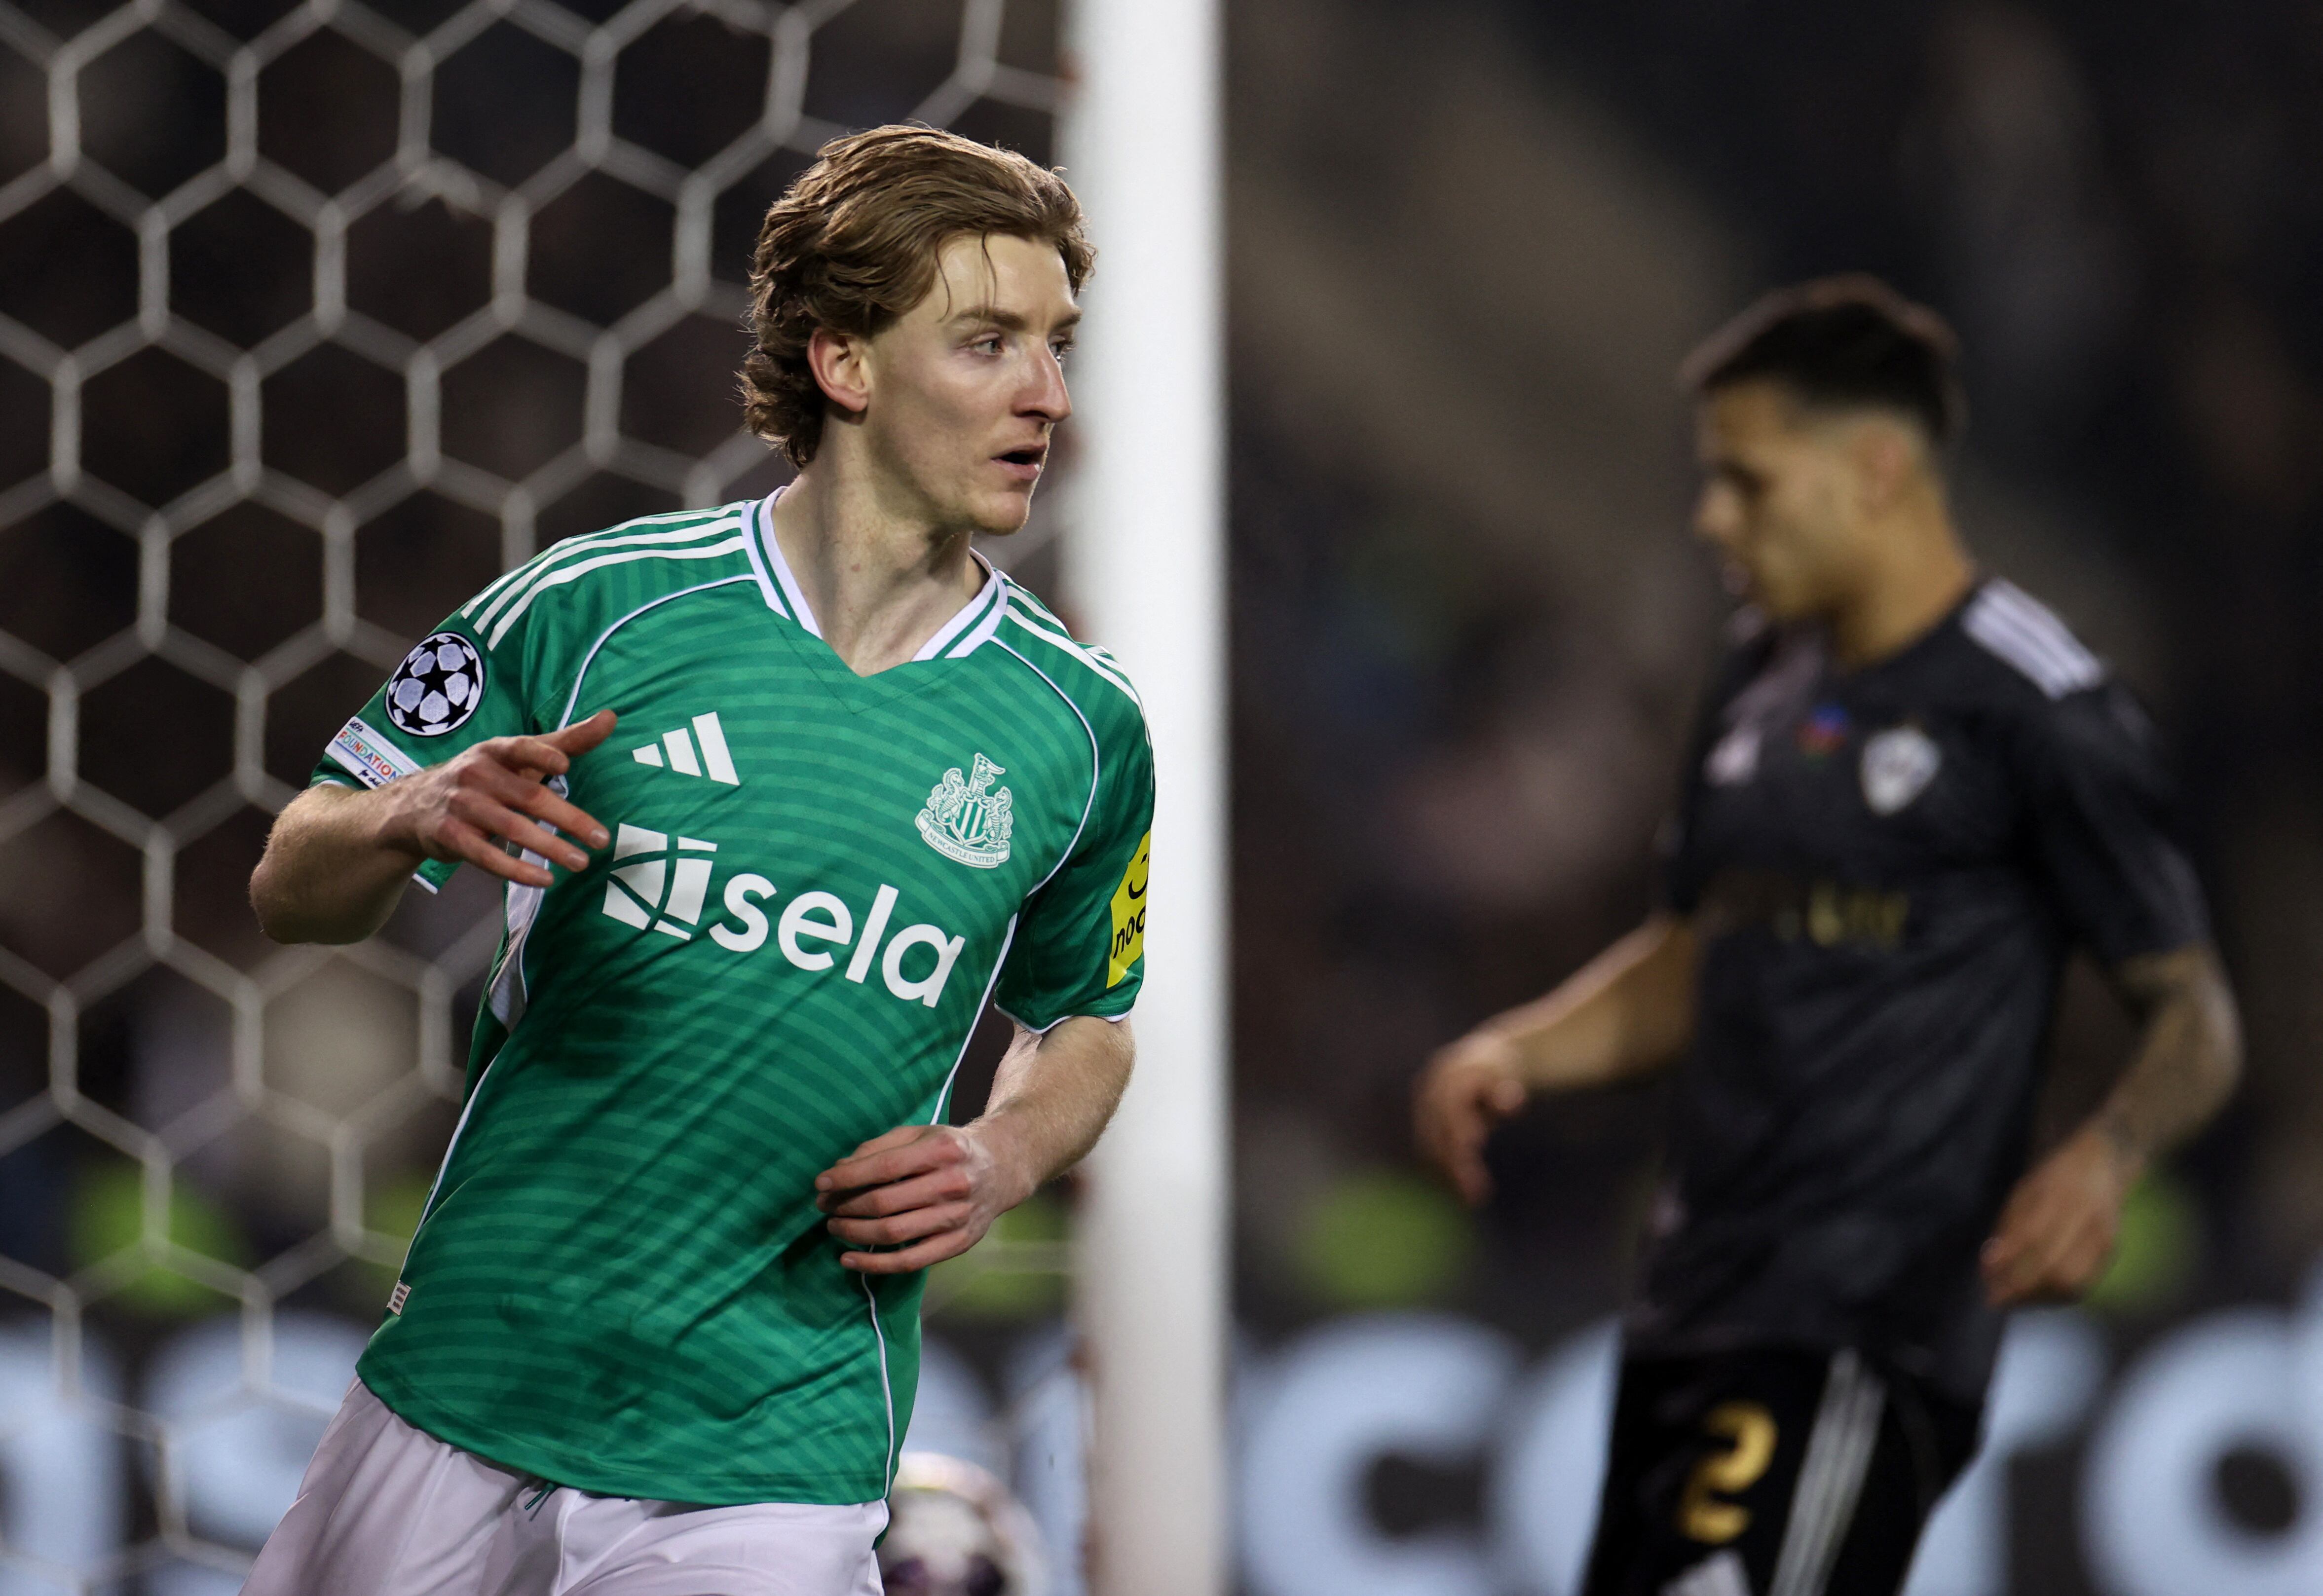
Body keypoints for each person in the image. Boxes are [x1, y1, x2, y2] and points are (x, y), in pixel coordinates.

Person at [242, 125, 1152, 1596]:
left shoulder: (1078, 727)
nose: (1046, 395)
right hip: (471, 1368)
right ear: (844, 364)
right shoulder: (594, 608)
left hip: (770, 1449)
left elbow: (1088, 1016)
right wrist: (407, 815)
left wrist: (1002, 1150)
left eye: (1057, 344)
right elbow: (292, 879)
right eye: (987, 343)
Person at [1414, 277, 2241, 1596]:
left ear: (1872, 469)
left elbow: (2193, 1014)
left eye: (1746, 482)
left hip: (1861, 1318)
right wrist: (1517, 1050)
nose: (1711, 517)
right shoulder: (1757, 677)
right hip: (1694, 1295)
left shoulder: (2035, 709)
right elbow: (1693, 953)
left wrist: (2105, 1156)